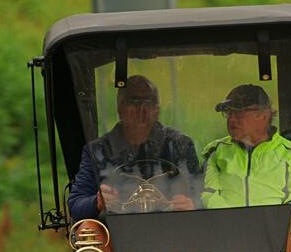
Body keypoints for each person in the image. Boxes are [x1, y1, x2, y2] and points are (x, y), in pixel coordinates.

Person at [68, 75, 200, 221]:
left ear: (157, 110)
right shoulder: (98, 151)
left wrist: (193, 204)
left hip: (174, 232)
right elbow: (75, 205)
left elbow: (203, 195)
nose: (141, 109)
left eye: (148, 102)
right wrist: (97, 202)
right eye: (134, 102)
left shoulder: (180, 145)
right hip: (117, 235)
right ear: (120, 109)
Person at [201, 84, 291, 245]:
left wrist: (269, 225)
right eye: (228, 113)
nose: (231, 119)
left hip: (277, 241)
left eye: (239, 112)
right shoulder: (214, 152)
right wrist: (232, 219)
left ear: (263, 115)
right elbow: (207, 193)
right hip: (224, 235)